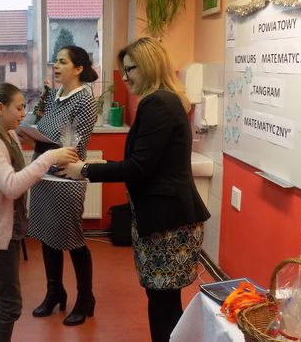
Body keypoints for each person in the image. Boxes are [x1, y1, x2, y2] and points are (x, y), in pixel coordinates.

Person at [59, 37, 210, 341]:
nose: (125, 77)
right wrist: (92, 166)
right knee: (164, 302)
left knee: (163, 305)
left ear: (150, 66)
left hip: (167, 224)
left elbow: (139, 167)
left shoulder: (158, 103)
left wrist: (84, 170)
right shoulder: (166, 100)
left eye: (131, 69)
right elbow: (145, 163)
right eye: (124, 70)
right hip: (167, 220)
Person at [0, 82, 78, 342]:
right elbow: (11, 186)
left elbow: (19, 174)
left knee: (3, 297)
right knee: (11, 305)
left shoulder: (7, 134)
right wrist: (49, 157)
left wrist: (47, 163)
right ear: (0, 108)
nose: (23, 113)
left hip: (10, 228)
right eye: (18, 108)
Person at [21, 45, 99, 326]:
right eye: (55, 61)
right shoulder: (54, 96)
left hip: (66, 176)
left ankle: (85, 298)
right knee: (47, 236)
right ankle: (55, 291)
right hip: (43, 172)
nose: (55, 65)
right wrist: (32, 134)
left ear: (78, 69)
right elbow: (46, 130)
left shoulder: (85, 99)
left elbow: (76, 144)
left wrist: (45, 143)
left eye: (62, 62)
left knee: (73, 240)